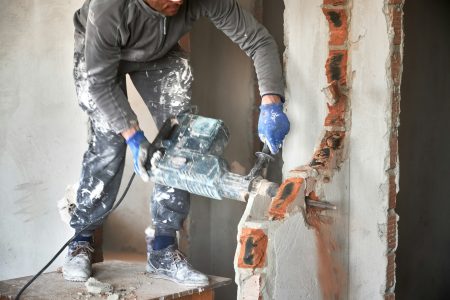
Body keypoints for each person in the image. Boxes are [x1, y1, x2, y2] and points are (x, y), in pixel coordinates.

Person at [63, 0, 290, 286]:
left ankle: (163, 248)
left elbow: (258, 40)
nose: (178, 1)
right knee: (109, 141)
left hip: (159, 52)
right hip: (98, 53)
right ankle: (82, 239)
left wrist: (271, 102)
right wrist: (133, 136)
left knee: (181, 139)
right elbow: (100, 83)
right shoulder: (109, 7)